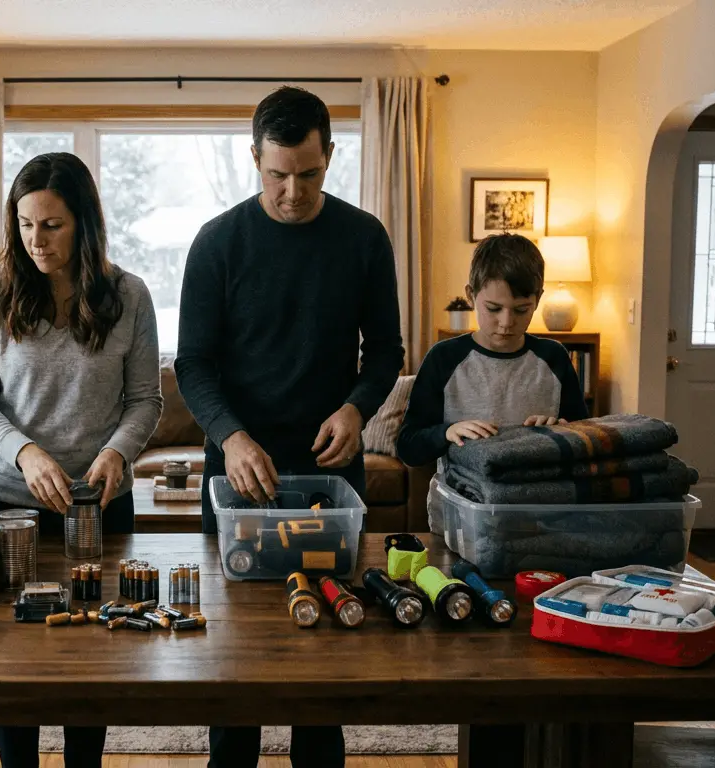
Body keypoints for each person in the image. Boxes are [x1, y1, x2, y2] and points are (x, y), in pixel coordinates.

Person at [175, 86, 403, 768]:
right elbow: (194, 363)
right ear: (253, 159)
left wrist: (358, 407)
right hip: (237, 470)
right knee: (235, 650)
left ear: (330, 157)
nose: (293, 192)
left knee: (328, 649)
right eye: (277, 175)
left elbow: (386, 351)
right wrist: (231, 435)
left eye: (308, 174)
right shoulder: (217, 242)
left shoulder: (364, 238)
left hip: (330, 472)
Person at [0, 151, 162, 768]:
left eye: (52, 225)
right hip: (9, 507)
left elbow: (145, 401)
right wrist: (25, 453)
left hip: (99, 507)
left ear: (85, 223)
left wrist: (117, 453)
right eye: (25, 224)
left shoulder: (128, 295)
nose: (36, 240)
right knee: (13, 664)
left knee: (91, 660)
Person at [396, 233, 589, 468]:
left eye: (521, 310)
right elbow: (408, 447)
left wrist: (561, 427)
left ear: (538, 299)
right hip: (463, 501)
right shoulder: (444, 358)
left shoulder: (554, 357)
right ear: (471, 296)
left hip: (539, 499)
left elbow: (586, 440)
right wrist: (447, 432)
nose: (506, 322)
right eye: (494, 308)